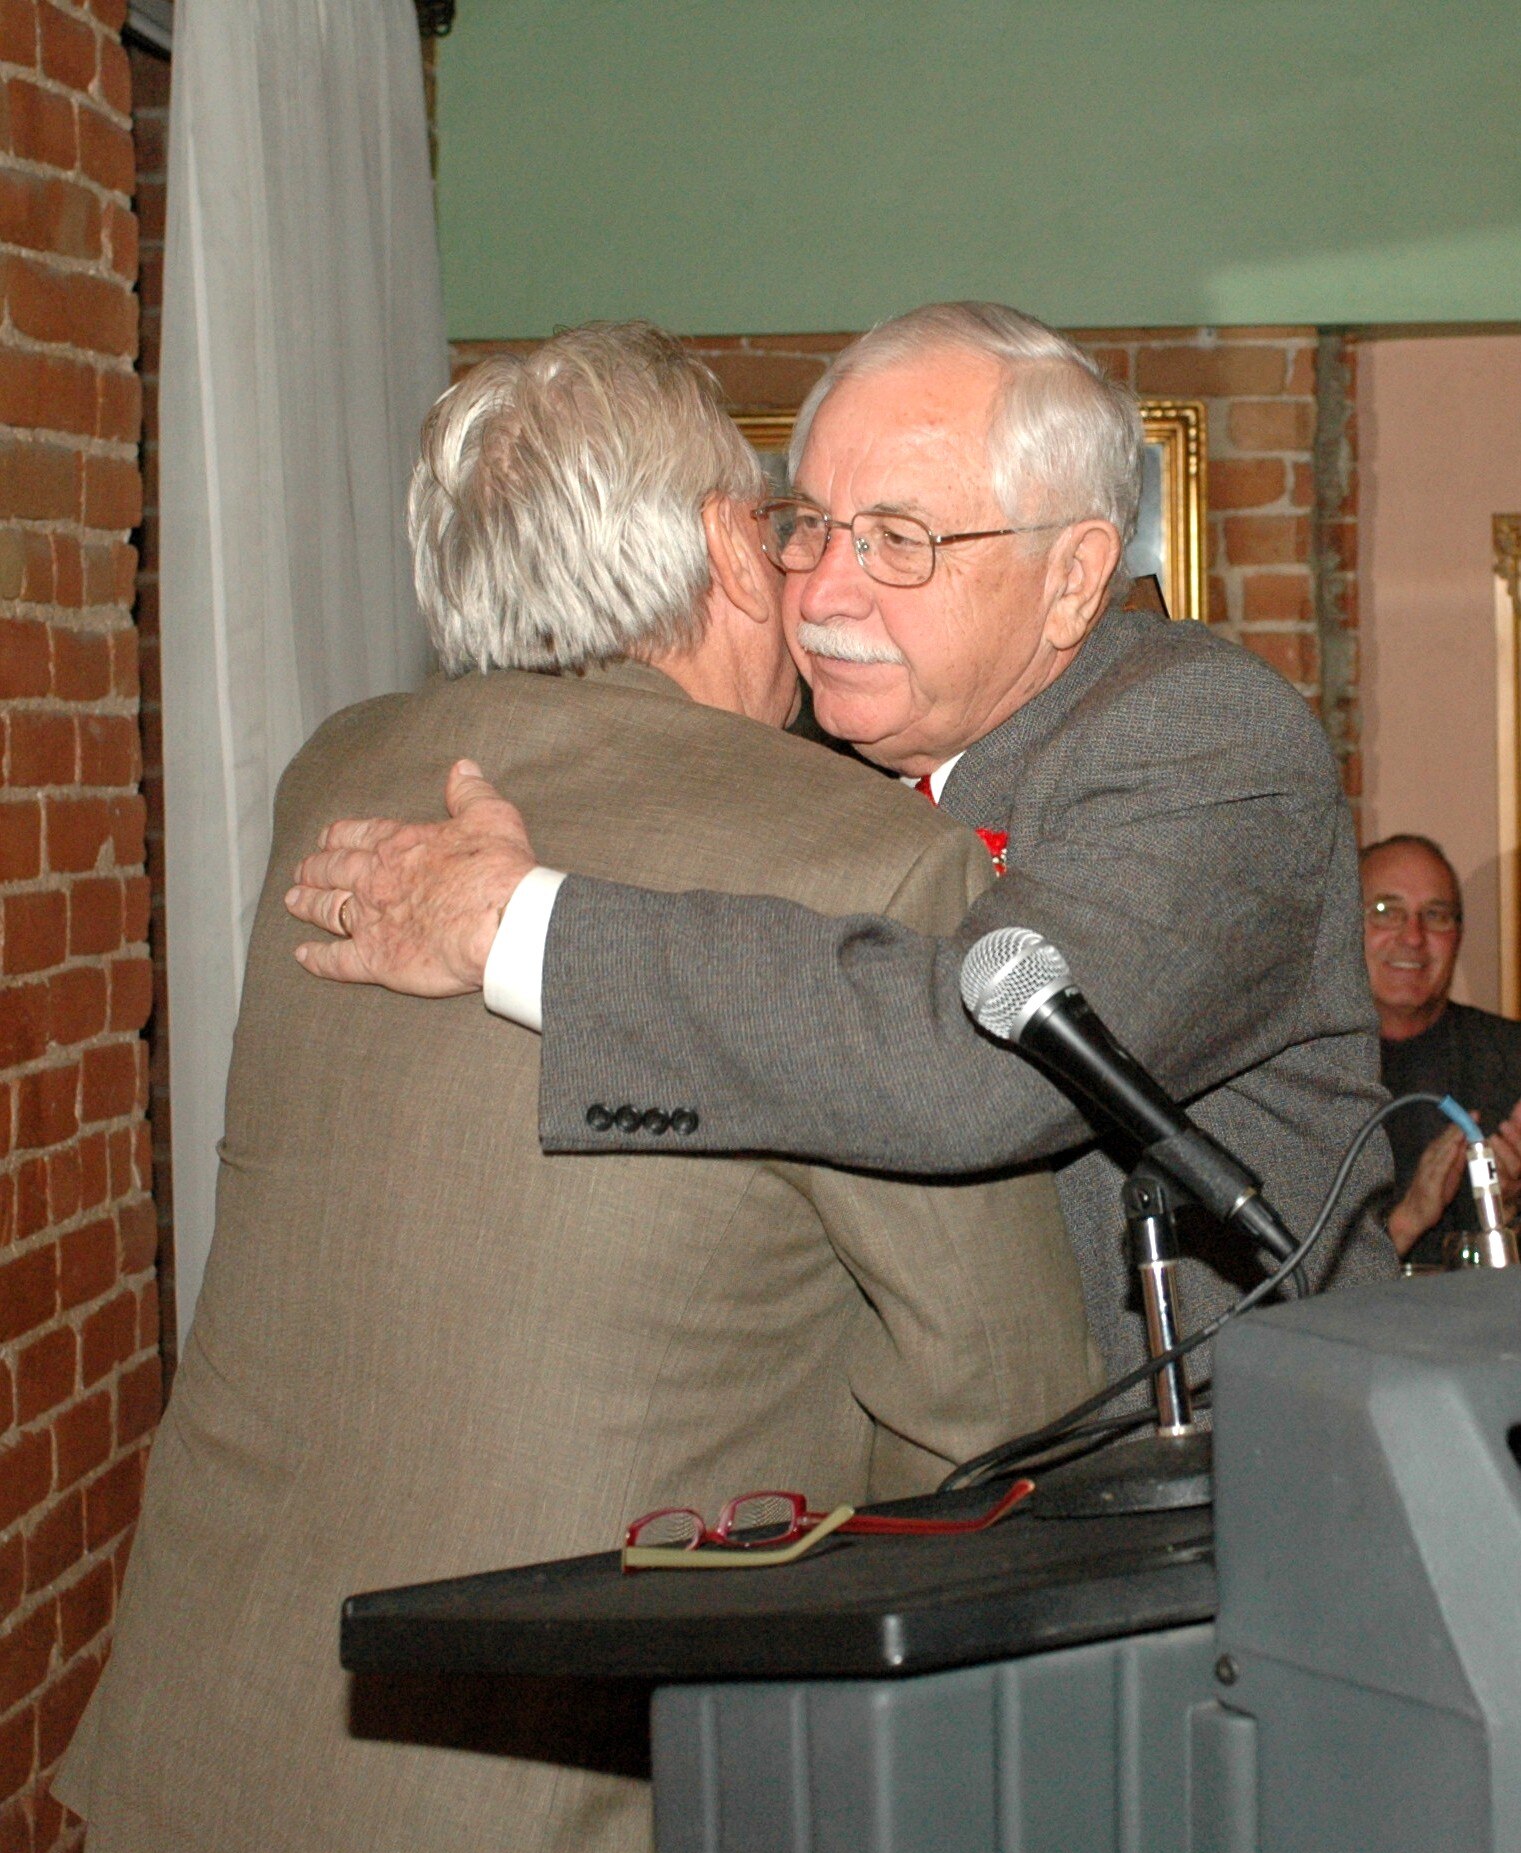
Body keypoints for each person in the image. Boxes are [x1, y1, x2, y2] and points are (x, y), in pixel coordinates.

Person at [55, 325, 1099, 1853]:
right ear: (711, 551)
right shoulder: (856, 856)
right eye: (777, 530)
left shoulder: (344, 773)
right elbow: (996, 1397)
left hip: (225, 1769)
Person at [290, 301, 1396, 1383]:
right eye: (808, 523)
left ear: (1071, 579)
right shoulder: (801, 755)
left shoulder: (1199, 736)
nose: (821, 589)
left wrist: (516, 927)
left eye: (898, 542)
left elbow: (973, 1065)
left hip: (1239, 1464)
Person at [1361, 832, 1521, 1263]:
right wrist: (1408, 1219)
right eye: (1385, 911)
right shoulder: (1296, 1075)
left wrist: (1508, 1215)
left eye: (1435, 915)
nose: (1412, 936)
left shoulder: (1513, 1059)